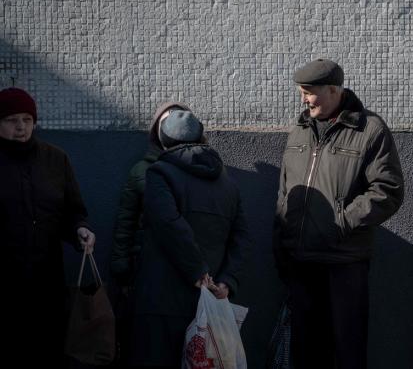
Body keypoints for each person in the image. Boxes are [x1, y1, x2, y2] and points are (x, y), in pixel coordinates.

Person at [273, 58, 404, 369]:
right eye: (301, 92)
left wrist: (339, 225)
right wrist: (281, 240)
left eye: (309, 91)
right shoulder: (299, 132)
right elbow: (284, 191)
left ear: (333, 90)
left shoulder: (369, 129)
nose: (303, 99)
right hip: (301, 263)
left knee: (346, 351)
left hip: (343, 264)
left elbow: (388, 190)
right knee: (305, 352)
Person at [130, 110, 250, 368]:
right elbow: (241, 237)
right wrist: (227, 281)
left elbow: (168, 224)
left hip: (162, 299)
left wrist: (197, 271)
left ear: (164, 141)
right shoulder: (227, 182)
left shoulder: (159, 173)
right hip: (211, 300)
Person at [0, 87, 96, 366]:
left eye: (27, 119)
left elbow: (72, 210)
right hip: (6, 281)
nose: (21, 127)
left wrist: (80, 230)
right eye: (12, 120)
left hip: (47, 280)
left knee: (48, 348)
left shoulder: (55, 159)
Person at [110, 101, 190, 367]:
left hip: (185, 271)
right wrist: (121, 265)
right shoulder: (141, 171)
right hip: (144, 268)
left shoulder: (201, 169)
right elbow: (126, 221)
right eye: (166, 122)